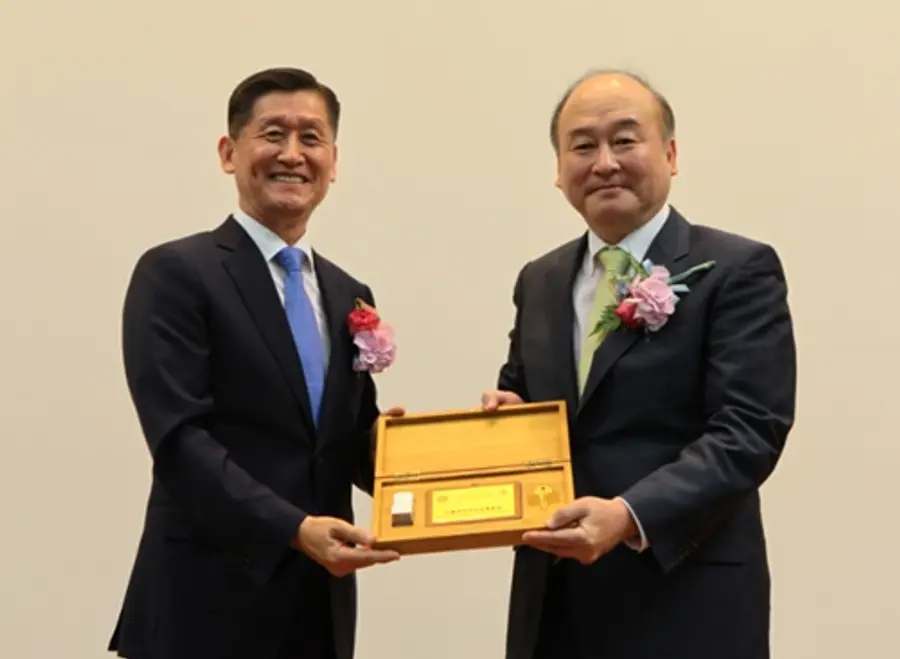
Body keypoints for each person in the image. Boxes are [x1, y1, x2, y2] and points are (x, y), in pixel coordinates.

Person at [481, 69, 796, 659]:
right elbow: (523, 393)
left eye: (624, 140)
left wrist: (629, 516)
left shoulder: (736, 269)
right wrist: (505, 418)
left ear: (670, 154)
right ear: (558, 170)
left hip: (685, 596)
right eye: (582, 146)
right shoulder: (540, 279)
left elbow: (749, 430)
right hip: (555, 603)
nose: (604, 163)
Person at [108, 67, 403, 659]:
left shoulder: (349, 295)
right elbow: (180, 441)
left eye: (311, 137)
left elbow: (345, 443)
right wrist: (294, 529)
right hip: (203, 605)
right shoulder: (177, 273)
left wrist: (420, 457)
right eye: (273, 134)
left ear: (333, 162)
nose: (293, 154)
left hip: (317, 609)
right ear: (229, 152)